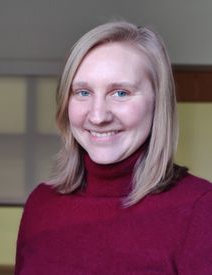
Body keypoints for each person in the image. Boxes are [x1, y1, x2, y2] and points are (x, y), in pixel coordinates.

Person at [15, 21, 212, 275]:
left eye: (120, 93)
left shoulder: (201, 208)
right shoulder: (41, 205)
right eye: (83, 92)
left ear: (158, 103)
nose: (98, 116)